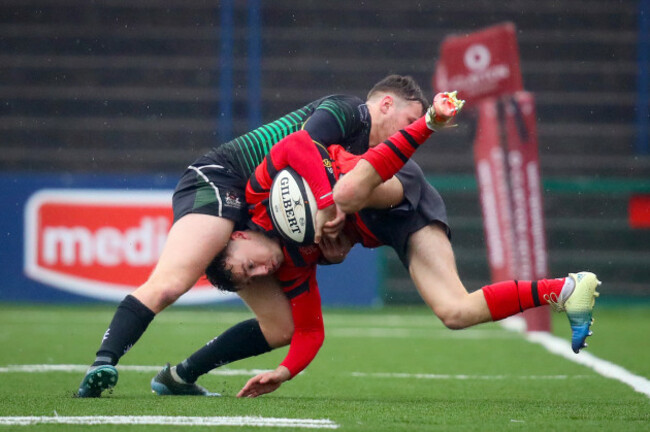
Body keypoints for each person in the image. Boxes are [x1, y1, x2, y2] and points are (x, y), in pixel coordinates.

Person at [149, 105, 601, 398]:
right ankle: (565, 289)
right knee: (455, 312)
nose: (263, 272)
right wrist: (284, 372)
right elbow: (309, 331)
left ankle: (428, 125)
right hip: (396, 225)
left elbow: (295, 145)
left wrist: (330, 201)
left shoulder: (257, 194)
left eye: (251, 266)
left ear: (242, 234)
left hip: (394, 189)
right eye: (254, 278)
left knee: (347, 194)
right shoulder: (291, 268)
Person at [77, 74, 439, 398]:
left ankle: (179, 377)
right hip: (223, 178)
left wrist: (337, 242)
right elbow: (301, 146)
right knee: (173, 282)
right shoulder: (349, 110)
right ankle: (102, 363)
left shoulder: (363, 154)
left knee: (282, 328)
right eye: (409, 122)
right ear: (386, 104)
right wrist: (330, 206)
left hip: (256, 211)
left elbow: (327, 206)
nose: (406, 133)